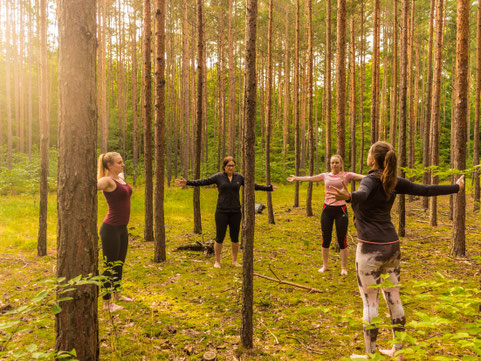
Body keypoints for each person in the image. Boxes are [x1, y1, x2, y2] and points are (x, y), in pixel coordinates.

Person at [328, 141, 464, 359]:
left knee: (370, 301)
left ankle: (370, 355)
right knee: (394, 299)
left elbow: (362, 193)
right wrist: (456, 187)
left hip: (370, 250)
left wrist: (350, 197)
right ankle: (399, 352)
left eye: (369, 153)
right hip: (392, 247)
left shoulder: (370, 180)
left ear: (373, 160)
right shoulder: (392, 181)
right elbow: (426, 190)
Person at [175, 156, 276, 268]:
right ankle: (217, 261)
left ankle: (234, 261)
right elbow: (203, 181)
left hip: (236, 211)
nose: (231, 168)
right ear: (224, 166)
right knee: (219, 237)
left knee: (235, 237)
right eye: (229, 166)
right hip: (221, 211)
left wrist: (268, 188)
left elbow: (253, 186)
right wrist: (188, 182)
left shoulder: (239, 177)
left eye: (233, 165)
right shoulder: (219, 177)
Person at [287, 155, 364, 275]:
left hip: (341, 210)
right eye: (332, 163)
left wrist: (378, 176)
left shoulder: (347, 175)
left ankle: (343, 268)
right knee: (325, 238)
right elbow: (310, 178)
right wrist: (296, 178)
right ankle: (324, 265)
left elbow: (362, 177)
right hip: (327, 210)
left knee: (342, 239)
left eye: (337, 162)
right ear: (330, 164)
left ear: (341, 164)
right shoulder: (325, 175)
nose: (334, 165)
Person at [97, 152, 134, 312]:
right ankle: (106, 303)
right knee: (109, 266)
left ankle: (117, 294)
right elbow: (90, 186)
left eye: (122, 161)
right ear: (110, 165)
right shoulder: (106, 180)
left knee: (119, 263)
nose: (122, 164)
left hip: (122, 228)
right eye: (119, 162)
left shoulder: (120, 178)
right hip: (110, 229)